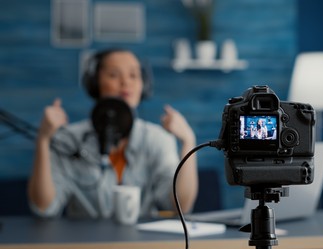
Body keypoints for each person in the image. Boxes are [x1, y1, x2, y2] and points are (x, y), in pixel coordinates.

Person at [27, 48, 198, 219]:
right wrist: (43, 139)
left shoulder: (157, 139)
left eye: (133, 75)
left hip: (143, 243)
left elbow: (181, 206)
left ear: (143, 85)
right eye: (114, 75)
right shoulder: (69, 139)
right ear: (96, 83)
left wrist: (188, 142)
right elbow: (43, 207)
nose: (126, 82)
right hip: (87, 243)